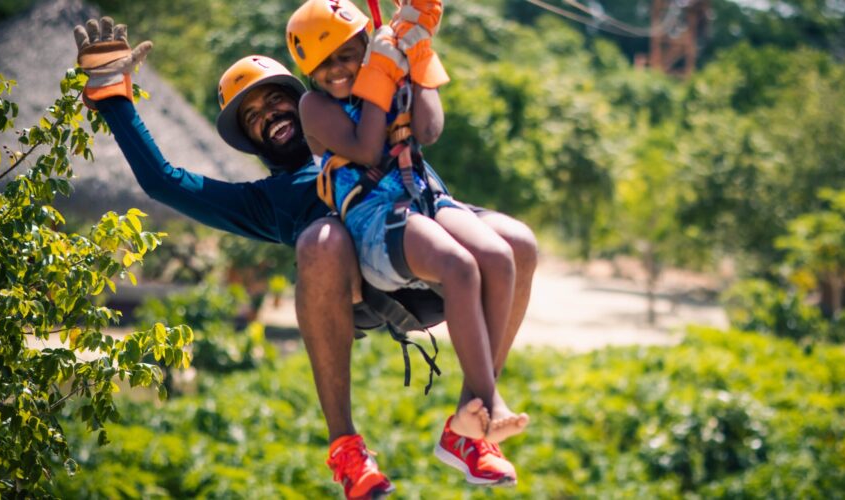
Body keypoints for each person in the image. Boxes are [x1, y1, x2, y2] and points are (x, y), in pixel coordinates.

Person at [73, 13, 536, 498]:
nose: (269, 115)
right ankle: (346, 446)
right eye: (253, 117)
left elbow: (367, 57)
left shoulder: (357, 107)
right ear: (250, 140)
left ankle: (473, 422)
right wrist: (115, 101)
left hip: (428, 233)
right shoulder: (264, 200)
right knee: (322, 239)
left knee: (518, 242)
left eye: (276, 101)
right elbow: (164, 181)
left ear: (300, 99)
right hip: (360, 280)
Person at [288, 0, 531, 465]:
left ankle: (469, 412)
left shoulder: (389, 73)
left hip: (424, 197)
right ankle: (488, 403)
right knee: (458, 266)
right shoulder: (314, 106)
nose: (338, 71)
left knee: (500, 256)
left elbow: (429, 129)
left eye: (347, 55)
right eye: (325, 65)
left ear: (364, 45)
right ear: (310, 73)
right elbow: (364, 147)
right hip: (373, 220)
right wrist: (377, 73)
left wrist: (415, 57)